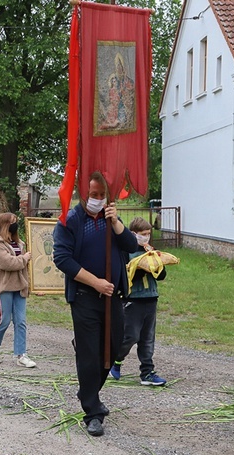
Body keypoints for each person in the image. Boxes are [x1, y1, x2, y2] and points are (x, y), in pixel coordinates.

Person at [53, 171, 138, 437]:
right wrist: (95, 283)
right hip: (85, 297)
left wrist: (116, 224)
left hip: (114, 295)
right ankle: (92, 411)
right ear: (83, 193)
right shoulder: (70, 220)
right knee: (90, 354)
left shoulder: (110, 217)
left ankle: (88, 391)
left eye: (102, 195)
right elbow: (63, 259)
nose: (98, 200)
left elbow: (131, 244)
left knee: (113, 347)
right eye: (94, 195)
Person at [109, 217, 167, 386]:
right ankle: (115, 361)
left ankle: (147, 372)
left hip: (151, 298)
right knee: (131, 336)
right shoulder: (127, 251)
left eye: (148, 234)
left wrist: (157, 263)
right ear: (134, 234)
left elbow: (161, 276)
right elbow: (125, 276)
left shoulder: (151, 250)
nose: (146, 237)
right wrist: (141, 268)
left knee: (148, 338)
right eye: (143, 234)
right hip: (133, 300)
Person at [0, 213, 35, 367]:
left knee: (21, 321)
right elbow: (9, 263)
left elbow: (25, 268)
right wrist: (24, 258)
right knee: (4, 319)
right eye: (12, 221)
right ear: (4, 224)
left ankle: (21, 354)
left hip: (20, 286)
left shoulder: (20, 243)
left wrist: (31, 284)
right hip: (3, 287)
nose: (15, 224)